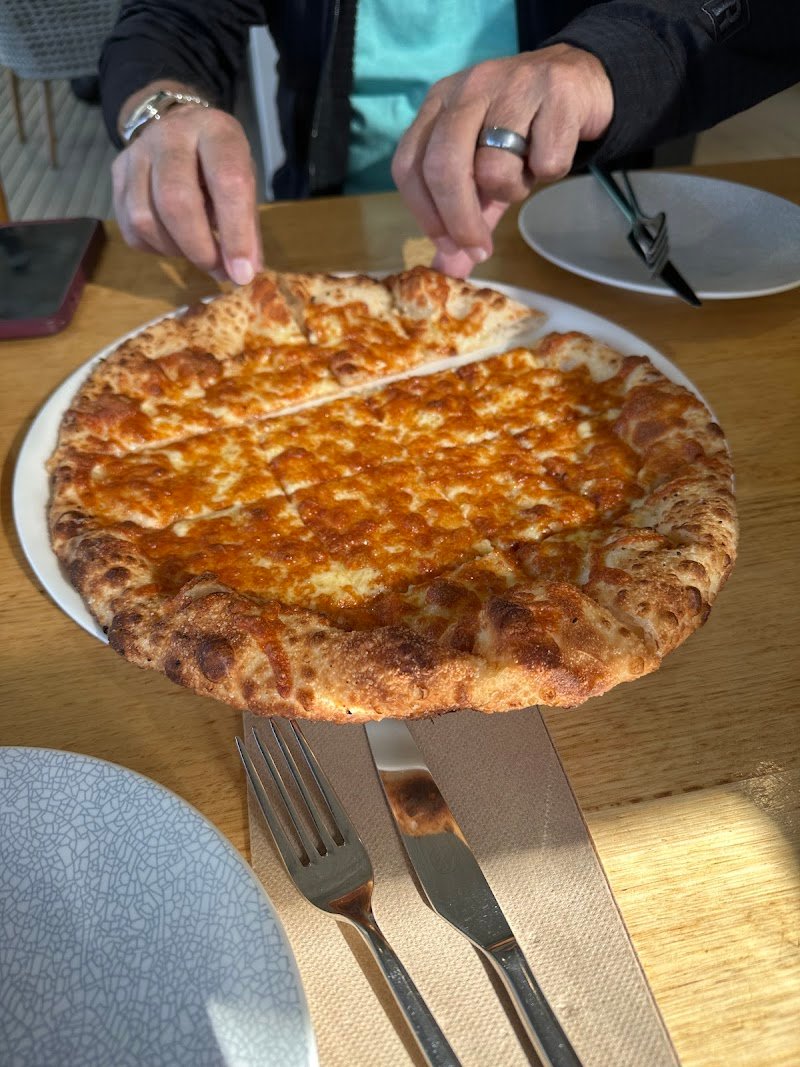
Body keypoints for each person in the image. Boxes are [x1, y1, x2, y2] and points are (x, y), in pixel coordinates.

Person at [100, 1, 800, 281]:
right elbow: (170, 18)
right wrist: (162, 109)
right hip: (327, 231)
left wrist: (599, 60)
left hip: (590, 234)